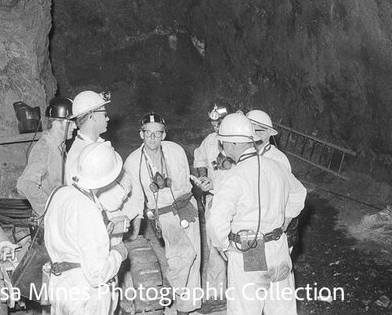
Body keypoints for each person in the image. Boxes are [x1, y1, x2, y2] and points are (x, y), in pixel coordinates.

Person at [207, 113, 307, 315]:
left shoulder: (233, 177)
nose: (222, 147)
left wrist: (226, 248)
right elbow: (299, 193)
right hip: (279, 247)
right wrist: (285, 221)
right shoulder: (277, 167)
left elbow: (216, 223)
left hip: (251, 250)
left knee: (245, 309)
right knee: (282, 311)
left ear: (232, 143)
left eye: (223, 142)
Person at [124, 113, 201, 315]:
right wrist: (135, 228)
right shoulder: (133, 161)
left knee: (195, 260)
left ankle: (184, 309)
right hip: (164, 212)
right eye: (148, 133)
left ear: (164, 134)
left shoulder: (176, 151)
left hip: (186, 206)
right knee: (183, 255)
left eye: (157, 133)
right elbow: (137, 198)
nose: (152, 138)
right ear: (141, 134)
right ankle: (170, 285)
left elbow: (185, 181)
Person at [44, 141, 130, 315]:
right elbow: (97, 274)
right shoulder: (87, 207)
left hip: (59, 285)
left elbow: (65, 236)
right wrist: (118, 253)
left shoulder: (59, 193)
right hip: (84, 294)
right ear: (109, 177)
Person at [66, 89, 134, 216]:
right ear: (92, 116)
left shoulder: (97, 146)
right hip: (100, 225)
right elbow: (112, 201)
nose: (108, 118)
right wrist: (123, 187)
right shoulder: (82, 154)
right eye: (104, 114)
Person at [192, 100, 232, 311]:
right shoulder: (209, 141)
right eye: (214, 123)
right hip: (214, 200)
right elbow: (199, 158)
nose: (217, 127)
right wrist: (202, 179)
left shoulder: (240, 142)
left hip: (237, 203)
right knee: (215, 249)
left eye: (221, 122)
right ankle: (217, 297)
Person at [16, 96, 74, 213]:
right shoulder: (44, 148)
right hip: (50, 221)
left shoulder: (59, 147)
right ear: (57, 124)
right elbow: (25, 184)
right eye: (70, 122)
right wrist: (49, 211)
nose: (75, 126)